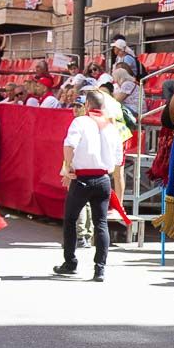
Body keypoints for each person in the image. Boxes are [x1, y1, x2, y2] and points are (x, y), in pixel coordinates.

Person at [54, 91, 122, 282]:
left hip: (82, 178)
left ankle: (70, 262)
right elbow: (118, 159)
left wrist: (67, 167)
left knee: (70, 220)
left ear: (87, 105)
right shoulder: (112, 126)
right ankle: (100, 268)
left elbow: (69, 145)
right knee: (100, 223)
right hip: (102, 178)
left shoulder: (81, 122)